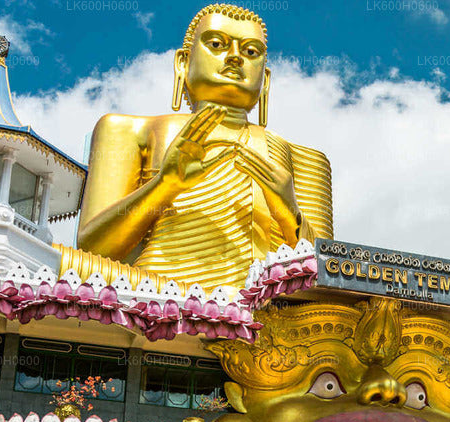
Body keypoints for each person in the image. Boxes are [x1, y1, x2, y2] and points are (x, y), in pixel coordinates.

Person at [69, 3, 333, 291]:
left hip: (272, 316)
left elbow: (332, 275)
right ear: (182, 62)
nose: (234, 57)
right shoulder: (131, 130)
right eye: (217, 44)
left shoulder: (302, 158)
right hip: (161, 300)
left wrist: (289, 214)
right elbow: (92, 252)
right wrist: (164, 185)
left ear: (265, 80)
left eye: (251, 52)